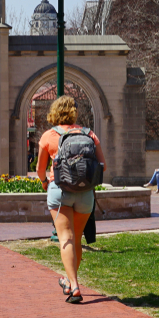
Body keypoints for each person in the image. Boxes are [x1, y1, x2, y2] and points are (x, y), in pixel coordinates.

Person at [36, 95, 105, 304]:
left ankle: (74, 286)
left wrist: (44, 183)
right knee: (76, 239)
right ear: (74, 113)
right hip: (84, 193)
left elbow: (40, 171)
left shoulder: (48, 136)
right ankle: (70, 279)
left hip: (60, 191)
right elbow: (102, 165)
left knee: (65, 237)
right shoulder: (89, 134)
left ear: (54, 113)